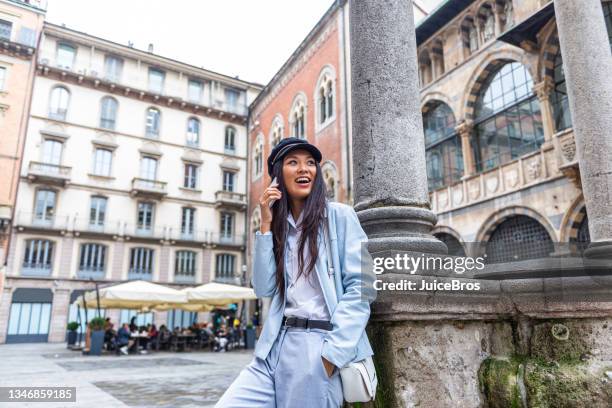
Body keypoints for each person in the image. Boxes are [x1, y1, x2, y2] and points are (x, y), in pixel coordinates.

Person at [216, 138, 376, 407]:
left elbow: (363, 287)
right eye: (293, 162)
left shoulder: (341, 217)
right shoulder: (278, 228)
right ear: (278, 176)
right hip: (273, 348)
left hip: (317, 346)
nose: (304, 169)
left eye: (310, 163)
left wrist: (330, 357)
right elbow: (264, 287)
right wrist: (265, 226)